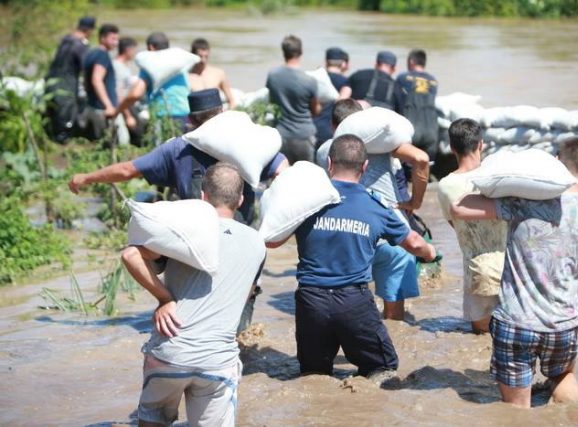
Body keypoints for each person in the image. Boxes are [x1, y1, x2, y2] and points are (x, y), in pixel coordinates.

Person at [69, 89, 287, 332]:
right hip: (240, 247)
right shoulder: (249, 144)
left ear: (190, 121)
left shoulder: (177, 149)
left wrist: (86, 178)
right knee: (236, 328)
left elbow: (127, 171)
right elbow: (284, 172)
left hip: (192, 247)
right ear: (222, 113)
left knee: (188, 320)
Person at [450, 138, 578, 408]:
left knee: (517, 412)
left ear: (556, 162)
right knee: (563, 376)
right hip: (563, 326)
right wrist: (565, 270)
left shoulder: (523, 201)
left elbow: (459, 207)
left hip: (516, 323)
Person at [269, 134, 436, 380]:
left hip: (311, 300)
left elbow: (273, 241)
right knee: (383, 368)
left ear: (328, 163)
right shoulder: (375, 206)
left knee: (313, 375)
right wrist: (430, 253)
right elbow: (414, 243)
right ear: (365, 167)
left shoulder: (305, 202)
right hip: (353, 302)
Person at [122, 162, 266, 426]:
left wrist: (164, 298)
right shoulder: (258, 243)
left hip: (169, 354)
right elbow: (244, 297)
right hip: (217, 361)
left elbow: (130, 254)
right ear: (241, 199)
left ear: (203, 196)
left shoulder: (183, 233)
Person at [320, 99, 431, 321]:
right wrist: (414, 202)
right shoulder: (386, 146)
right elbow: (421, 158)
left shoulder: (326, 151)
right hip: (394, 238)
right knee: (394, 320)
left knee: (348, 313)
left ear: (334, 127)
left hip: (351, 236)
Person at [437, 119, 507, 334]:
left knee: (481, 337)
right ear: (481, 144)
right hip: (512, 269)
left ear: (451, 147)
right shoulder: (499, 177)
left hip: (478, 270)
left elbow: (455, 225)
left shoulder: (445, 186)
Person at [111, 32, 190, 137]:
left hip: (162, 117)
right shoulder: (180, 65)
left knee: (163, 151)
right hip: (185, 115)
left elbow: (136, 94)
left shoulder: (150, 66)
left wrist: (117, 111)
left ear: (151, 47)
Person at [266, 35, 320, 164]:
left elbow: (272, 102)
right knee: (305, 175)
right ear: (301, 52)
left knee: (281, 175)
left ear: (283, 52)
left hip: (281, 135)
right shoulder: (309, 80)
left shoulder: (273, 76)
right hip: (304, 135)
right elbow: (316, 110)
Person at [45, 16, 96, 142]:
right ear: (90, 30)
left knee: (54, 108)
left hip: (51, 79)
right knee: (66, 109)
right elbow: (86, 68)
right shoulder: (80, 45)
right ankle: (62, 139)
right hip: (66, 82)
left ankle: (53, 136)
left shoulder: (66, 40)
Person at [396, 49, 439, 159]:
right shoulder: (433, 81)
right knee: (425, 169)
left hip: (411, 129)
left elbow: (396, 101)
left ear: (411, 61)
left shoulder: (403, 78)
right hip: (431, 131)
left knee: (405, 168)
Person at [83, 24, 120, 140]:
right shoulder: (102, 55)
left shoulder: (91, 53)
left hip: (93, 105)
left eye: (117, 39)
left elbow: (85, 80)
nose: (116, 42)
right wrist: (108, 106)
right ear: (102, 38)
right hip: (102, 109)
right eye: (113, 39)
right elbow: (96, 80)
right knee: (112, 143)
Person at [313, 47, 351, 146]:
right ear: (343, 64)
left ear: (326, 62)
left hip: (311, 129)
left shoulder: (315, 79)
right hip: (331, 131)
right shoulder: (346, 82)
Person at [188, 38, 237, 109]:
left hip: (216, 115)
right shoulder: (187, 76)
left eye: (206, 56)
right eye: (200, 56)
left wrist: (229, 113)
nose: (203, 60)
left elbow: (231, 101)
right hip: (197, 116)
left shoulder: (218, 74)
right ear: (193, 55)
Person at [113, 37, 140, 145]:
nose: (135, 53)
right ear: (128, 50)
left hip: (126, 105)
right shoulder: (117, 67)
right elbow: (118, 93)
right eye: (134, 50)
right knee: (123, 139)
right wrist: (128, 116)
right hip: (120, 107)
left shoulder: (125, 66)